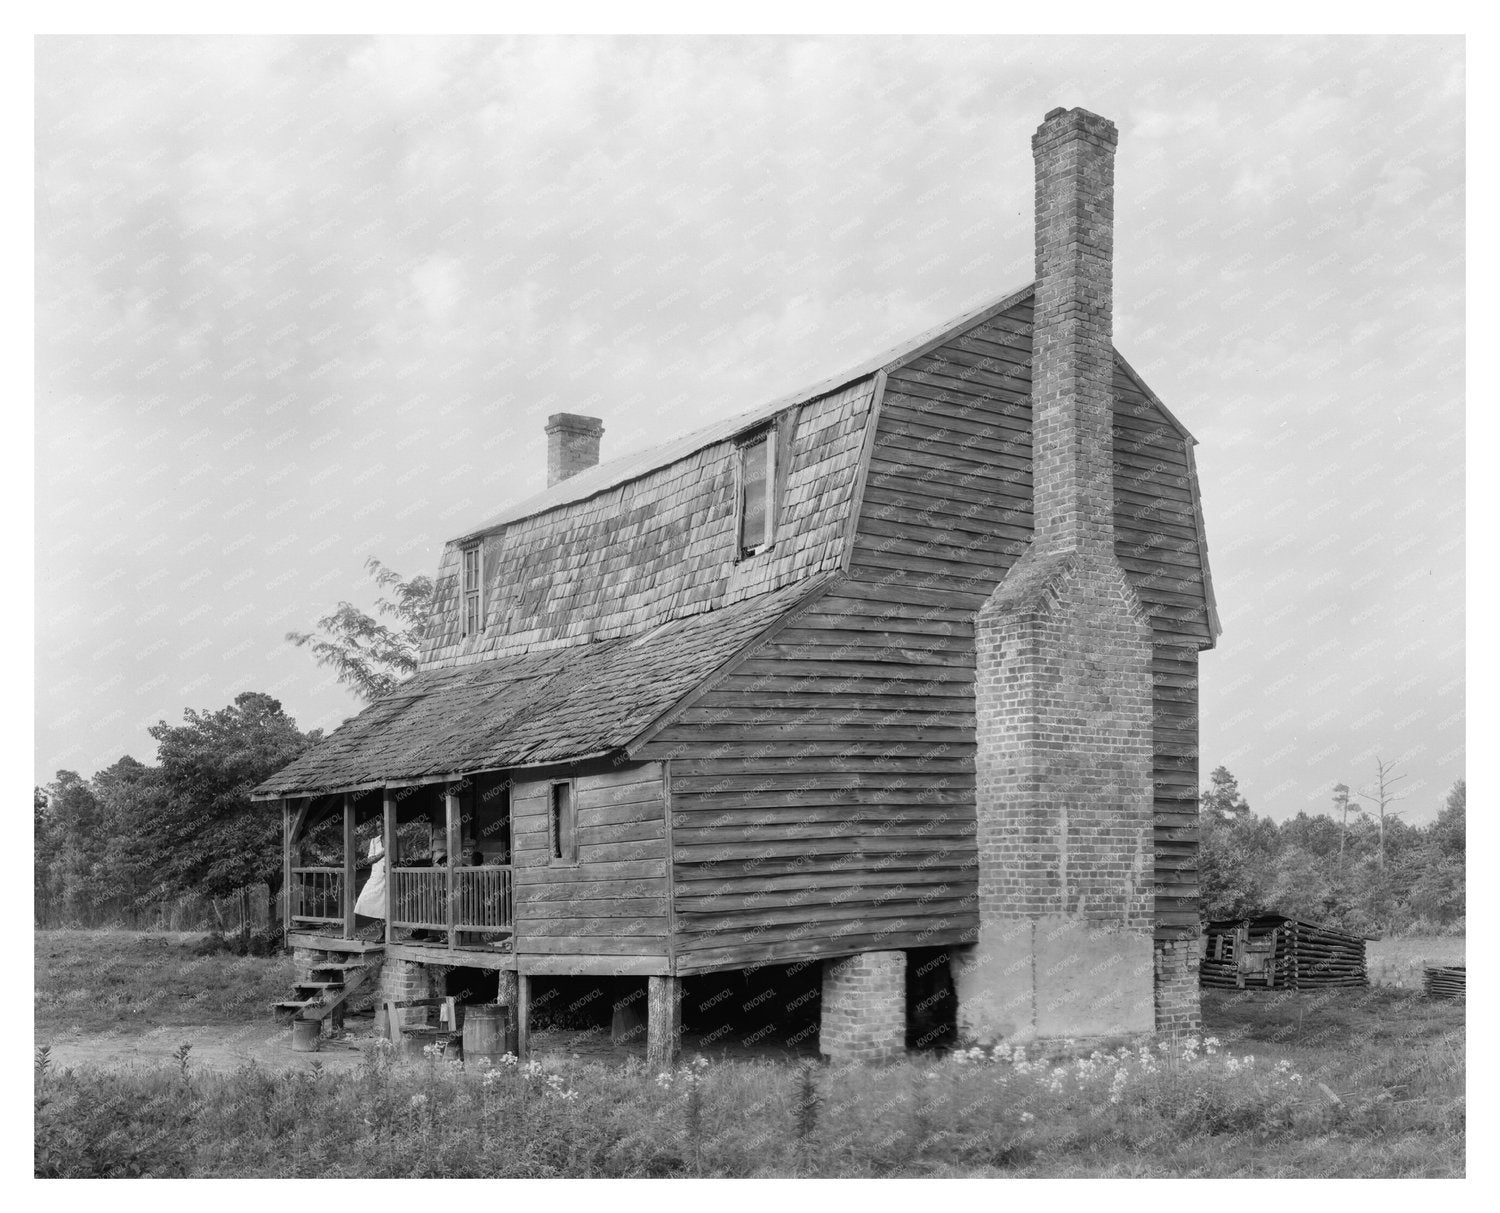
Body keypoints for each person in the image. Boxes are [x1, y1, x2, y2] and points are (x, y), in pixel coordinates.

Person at [353, 836, 387, 937]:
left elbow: (402, 857)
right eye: (378, 826)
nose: (380, 828)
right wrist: (382, 853)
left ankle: (384, 932)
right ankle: (381, 928)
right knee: (364, 899)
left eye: (381, 825)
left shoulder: (394, 838)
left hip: (390, 875)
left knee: (385, 904)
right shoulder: (374, 841)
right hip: (376, 876)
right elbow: (369, 860)